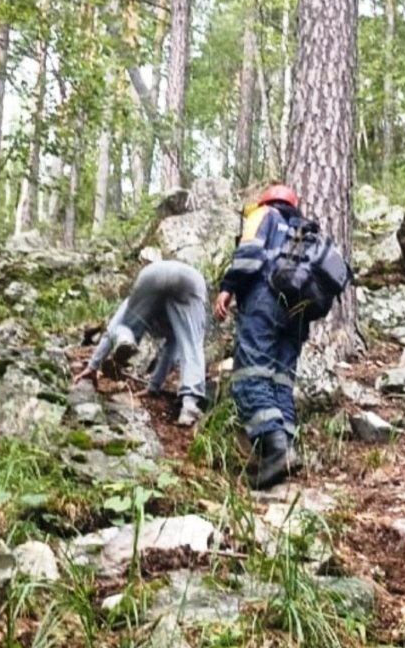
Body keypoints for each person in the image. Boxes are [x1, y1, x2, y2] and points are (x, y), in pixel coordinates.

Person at [214, 183, 311, 490]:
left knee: (250, 377)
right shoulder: (305, 231)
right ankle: (287, 449)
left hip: (264, 301)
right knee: (280, 381)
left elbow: (250, 255)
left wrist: (228, 288)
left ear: (267, 201)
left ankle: (276, 450)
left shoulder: (263, 214)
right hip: (299, 313)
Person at [76, 259, 209, 427]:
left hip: (152, 274)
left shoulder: (147, 302)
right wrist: (154, 386)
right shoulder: (180, 318)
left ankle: (125, 339)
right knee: (191, 345)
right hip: (189, 281)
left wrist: (94, 364)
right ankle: (189, 407)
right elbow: (171, 349)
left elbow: (114, 325)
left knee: (126, 326)